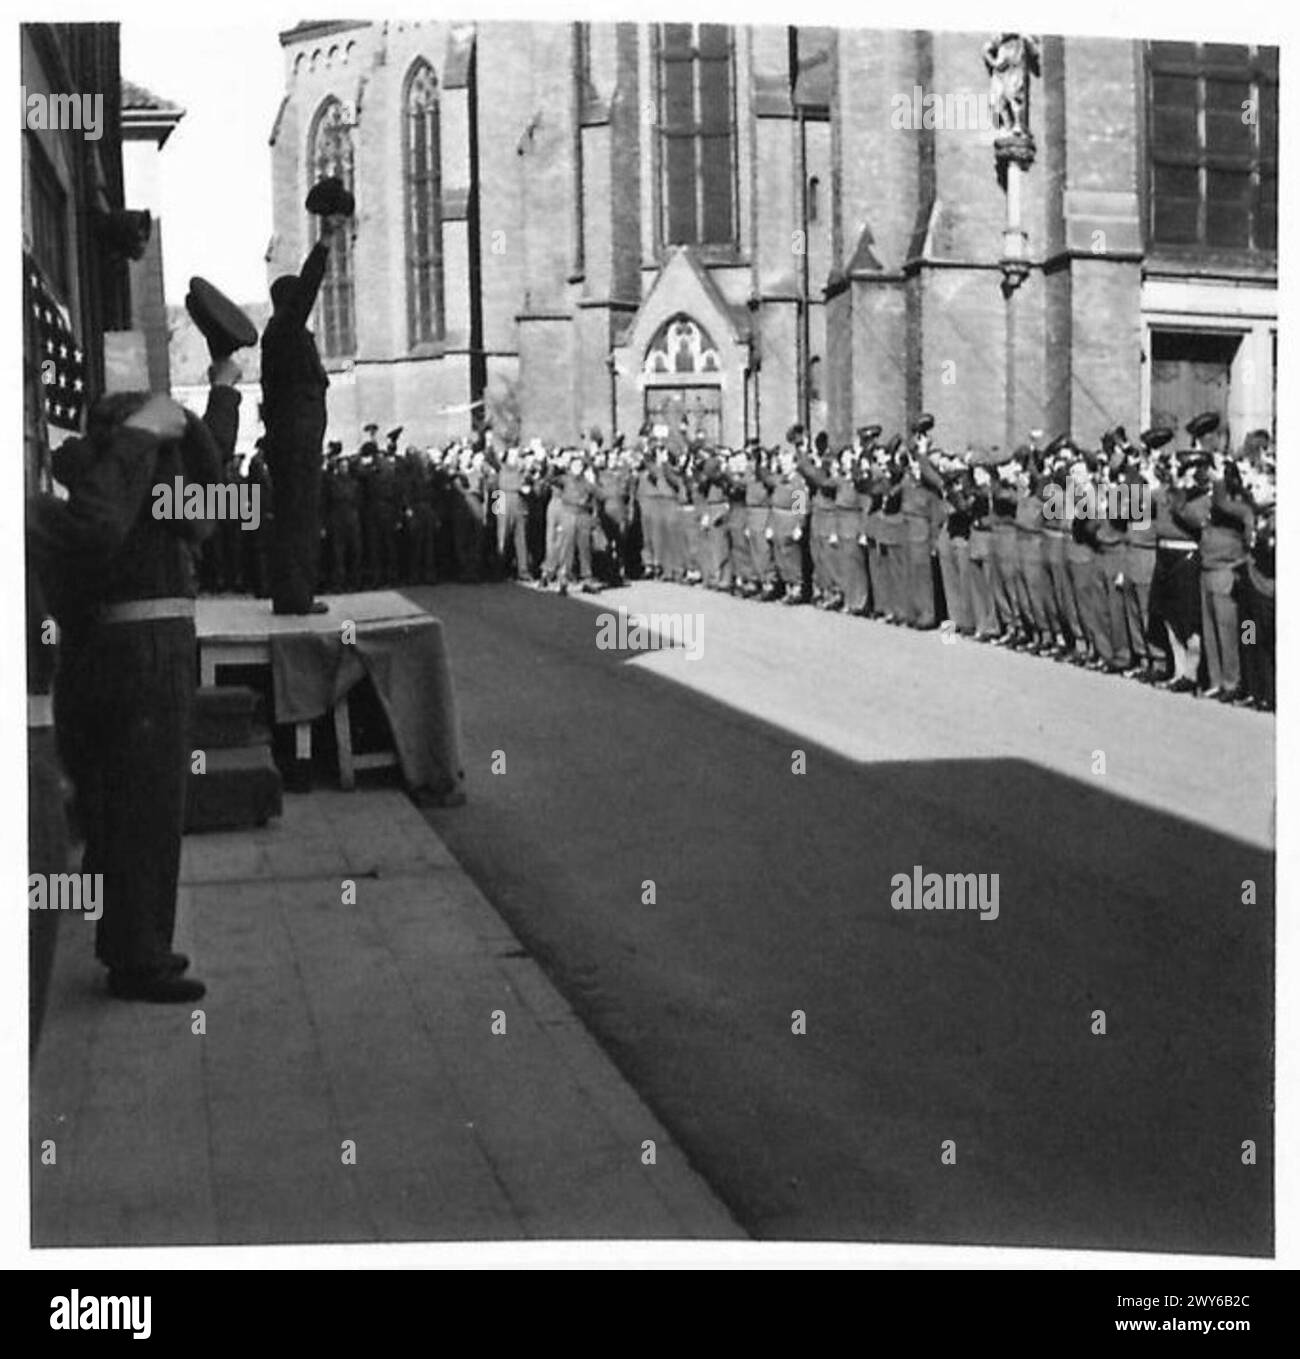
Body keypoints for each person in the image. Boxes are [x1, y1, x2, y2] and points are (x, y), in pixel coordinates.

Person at [46, 360, 242, 1002]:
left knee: (121, 812)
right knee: (147, 811)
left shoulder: (127, 484)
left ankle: (127, 939)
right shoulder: (130, 491)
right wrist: (158, 432)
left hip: (116, 652)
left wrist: (214, 399)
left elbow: (213, 499)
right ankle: (139, 958)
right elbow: (205, 509)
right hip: (146, 655)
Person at [260, 213, 350, 614]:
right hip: (295, 440)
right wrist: (326, 242)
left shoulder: (287, 335)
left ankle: (293, 594)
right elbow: (309, 287)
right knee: (298, 516)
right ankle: (295, 597)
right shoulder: (284, 329)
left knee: (297, 515)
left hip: (296, 438)